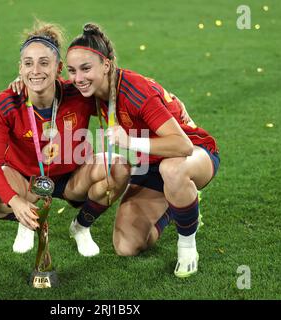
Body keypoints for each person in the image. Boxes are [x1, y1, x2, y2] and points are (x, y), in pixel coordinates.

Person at [65, 23, 220, 277]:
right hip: (151, 163)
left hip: (194, 153)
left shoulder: (135, 90)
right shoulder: (90, 88)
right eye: (72, 71)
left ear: (106, 65)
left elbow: (183, 145)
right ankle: (178, 205)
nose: (78, 78)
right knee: (126, 246)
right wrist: (25, 81)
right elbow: (51, 91)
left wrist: (130, 142)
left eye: (85, 68)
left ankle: (187, 245)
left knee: (173, 169)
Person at [0, 21, 130, 257]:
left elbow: (114, 89)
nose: (35, 70)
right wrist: (15, 201)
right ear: (20, 68)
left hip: (72, 177)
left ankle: (81, 227)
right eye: (29, 64)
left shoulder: (79, 94)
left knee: (118, 167)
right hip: (25, 179)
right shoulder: (6, 103)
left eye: (44, 63)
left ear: (59, 68)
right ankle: (27, 219)